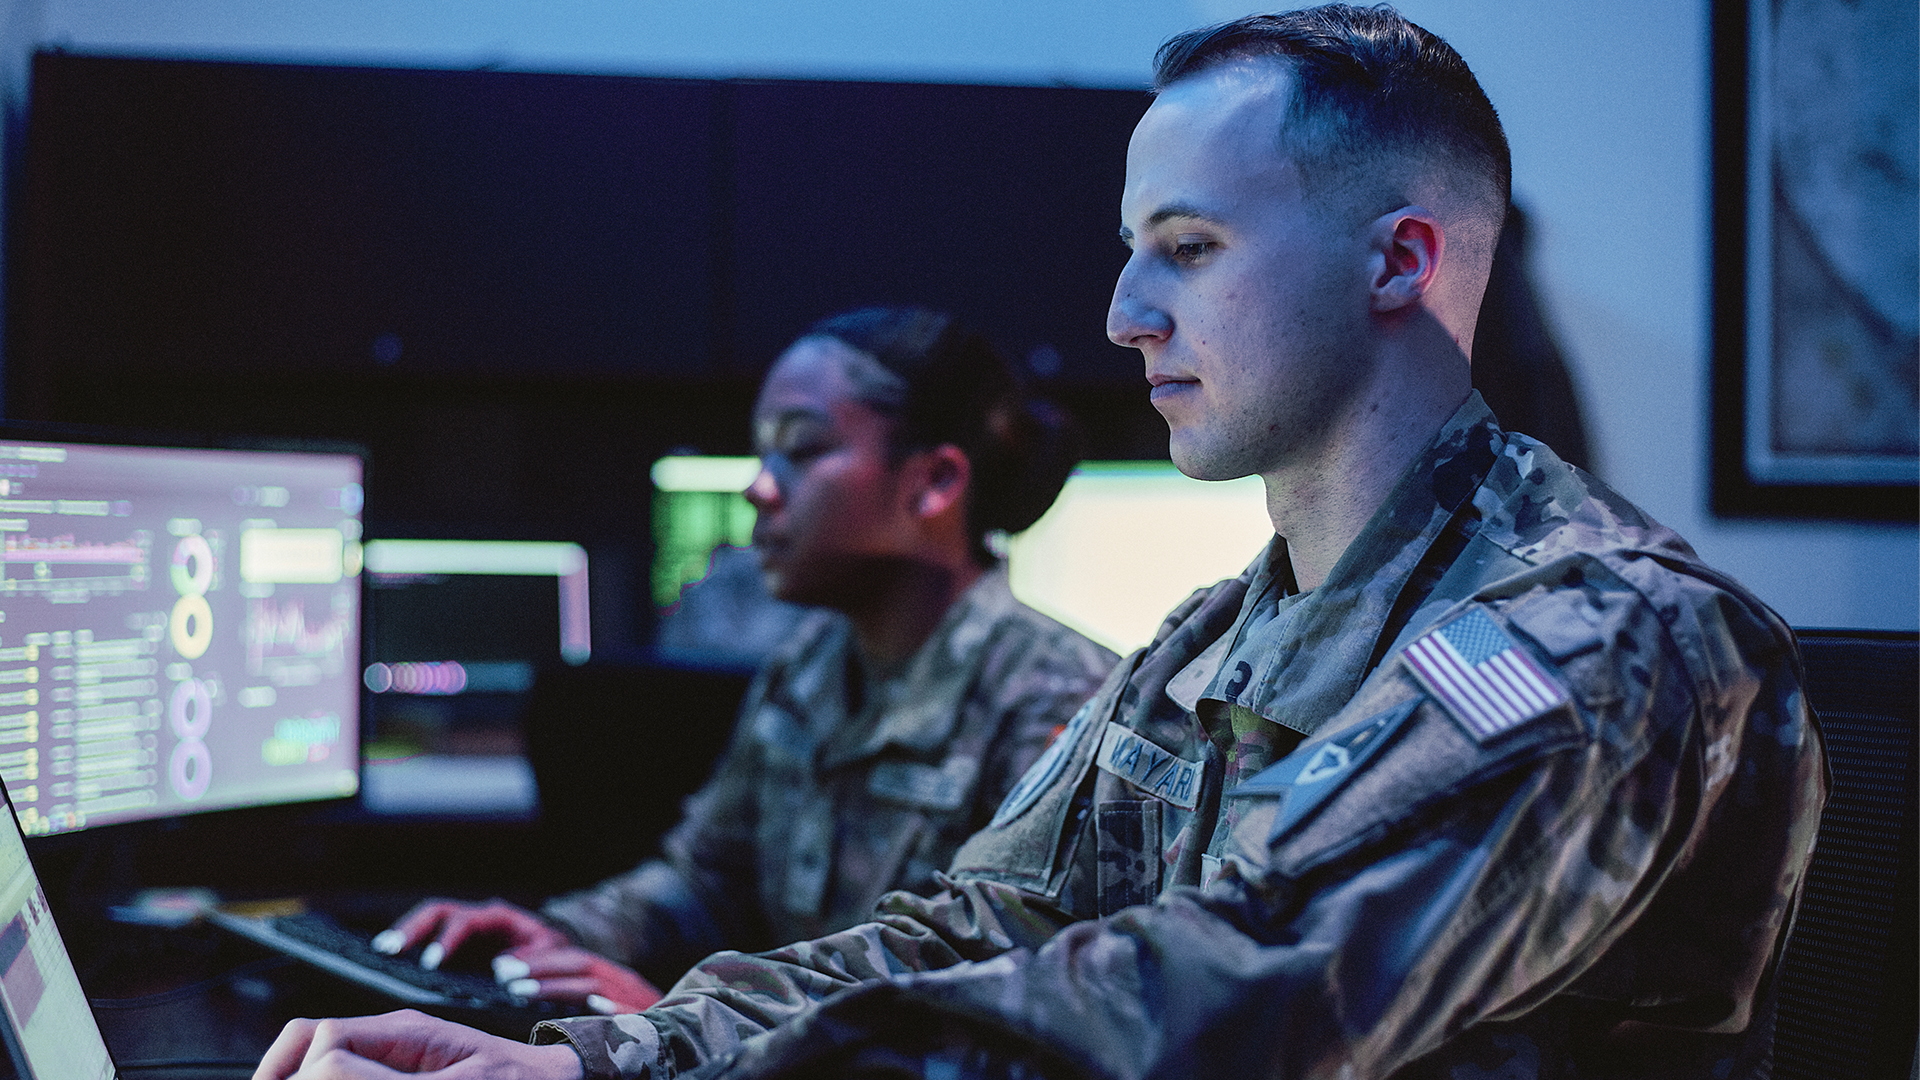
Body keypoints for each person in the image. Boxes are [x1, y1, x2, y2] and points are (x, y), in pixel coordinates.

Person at [253, 7, 1826, 1079]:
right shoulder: (1217, 635)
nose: (1125, 316)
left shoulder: (1606, 635)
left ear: (1398, 261)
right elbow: (974, 922)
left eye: (1188, 252)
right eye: (1131, 254)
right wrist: (600, 1050)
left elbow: (1242, 996)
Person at [368, 306, 1116, 1013]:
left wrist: (694, 1024)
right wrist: (562, 935)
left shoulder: (1059, 700)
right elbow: (705, 882)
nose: (759, 487)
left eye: (801, 449)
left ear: (934, 483)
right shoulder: (809, 668)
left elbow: (998, 997)